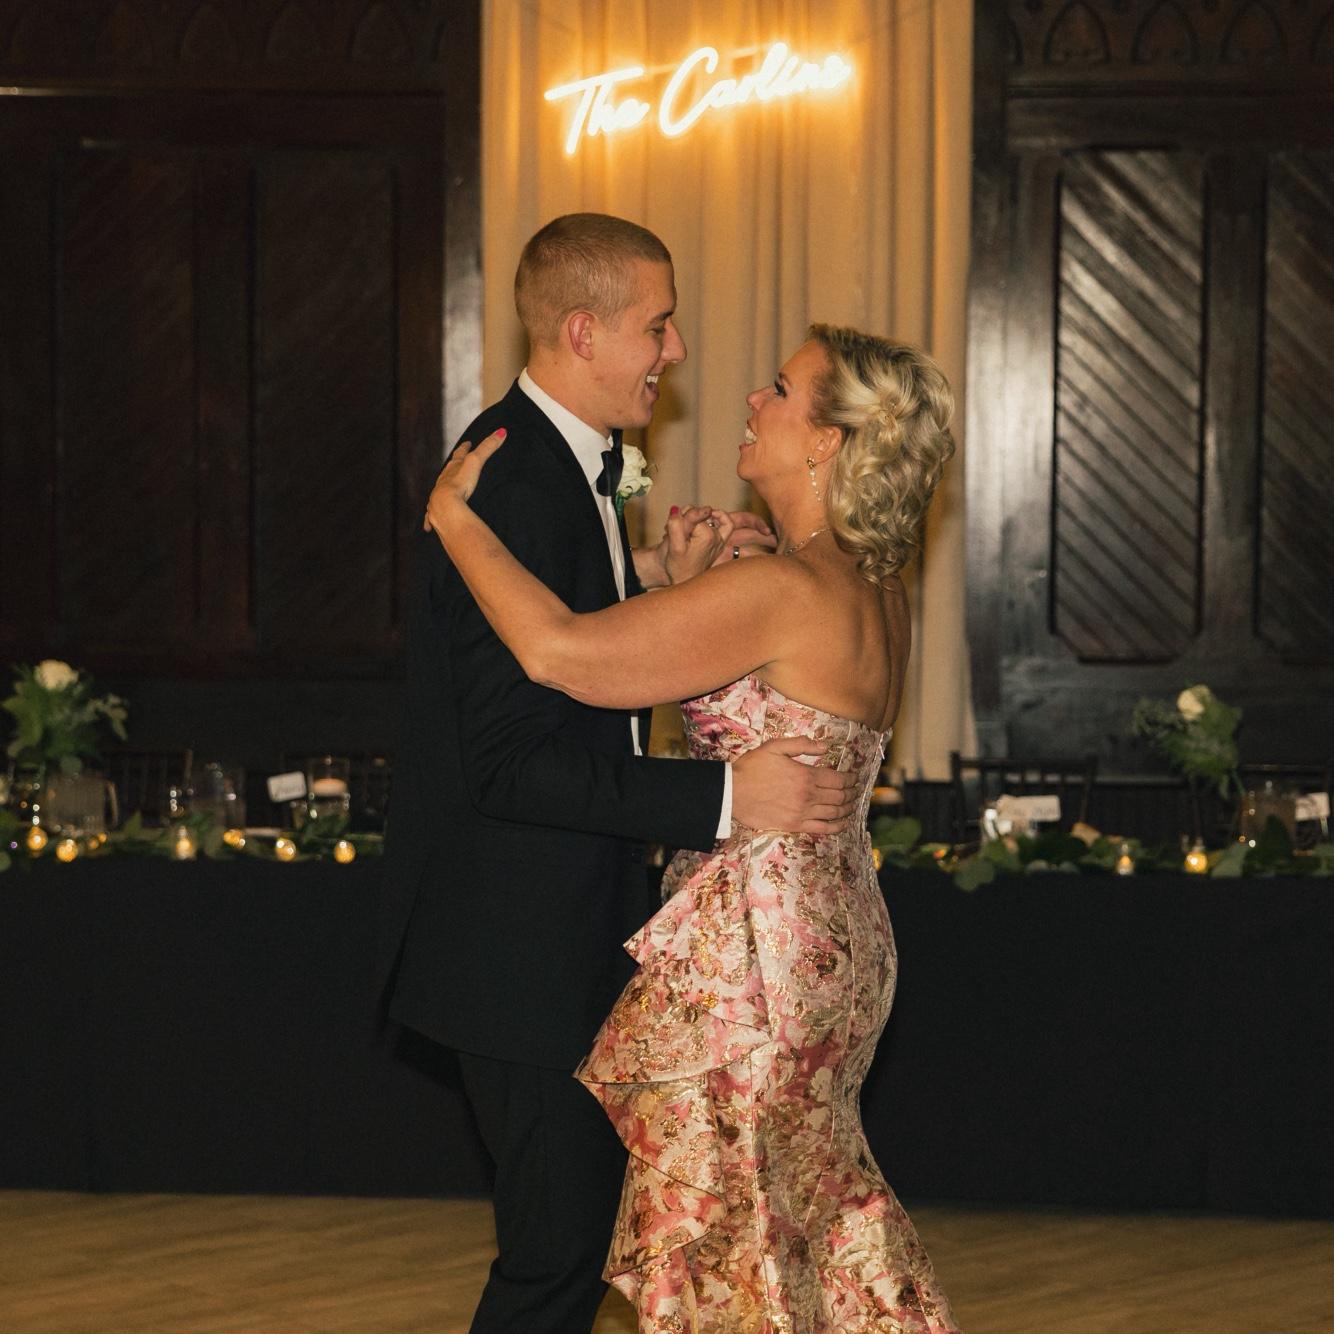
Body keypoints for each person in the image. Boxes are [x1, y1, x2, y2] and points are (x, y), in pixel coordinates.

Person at [376, 213, 861, 1334]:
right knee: (555, 1254)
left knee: (572, 1245)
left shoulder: (554, 463)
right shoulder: (510, 480)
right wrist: (730, 795)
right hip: (515, 941)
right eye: (658, 324)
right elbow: (512, 764)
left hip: (560, 923)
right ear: (583, 332)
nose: (676, 350)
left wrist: (646, 581)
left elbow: (563, 643)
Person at [425, 323, 962, 1333]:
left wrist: (455, 521)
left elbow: (558, 654)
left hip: (755, 956)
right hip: (835, 937)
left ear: (828, 442)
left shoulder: (780, 590)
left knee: (739, 1250)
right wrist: (674, 586)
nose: (752, 401)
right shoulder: (870, 584)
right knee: (805, 1218)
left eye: (779, 390)